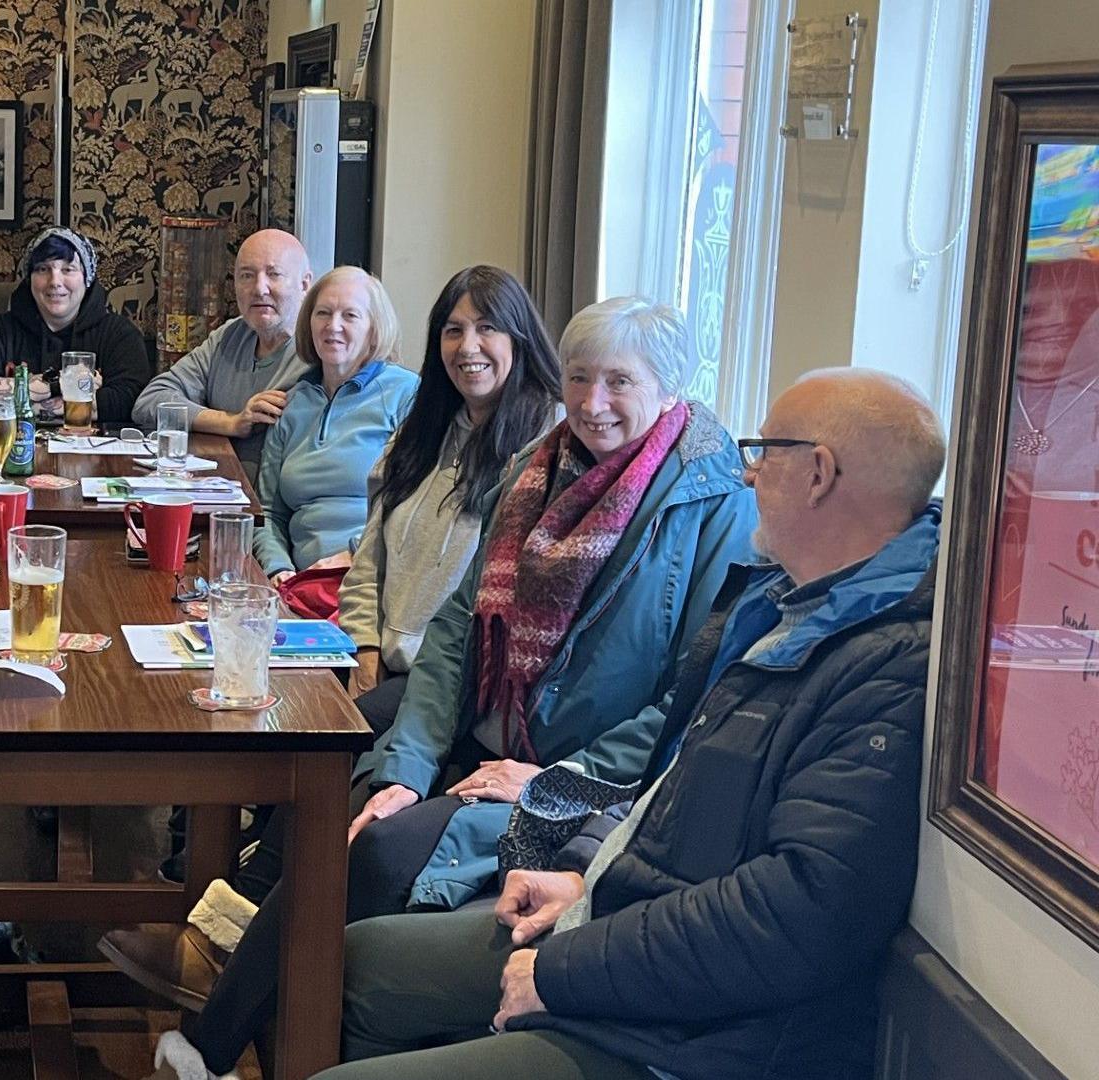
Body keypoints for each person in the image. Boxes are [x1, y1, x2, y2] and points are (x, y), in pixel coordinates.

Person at [114, 296, 757, 1080]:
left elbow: (692, 695)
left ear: (671, 389)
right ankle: (237, 1003)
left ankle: (218, 1038)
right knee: (350, 791)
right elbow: (458, 626)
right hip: (487, 732)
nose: (592, 403)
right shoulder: (539, 467)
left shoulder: (714, 503)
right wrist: (407, 769)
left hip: (581, 779)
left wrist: (556, 778)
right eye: (582, 377)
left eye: (620, 382)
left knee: (374, 847)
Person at [322, 368, 948, 1080]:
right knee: (355, 961)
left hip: (701, 1037)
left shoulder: (887, 661)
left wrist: (566, 969)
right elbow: (676, 804)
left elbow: (789, 918)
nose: (747, 476)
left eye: (764, 451)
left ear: (818, 474)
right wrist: (587, 880)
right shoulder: (782, 609)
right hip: (631, 936)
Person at [340, 265, 562, 711]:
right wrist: (364, 653)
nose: (468, 347)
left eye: (488, 329)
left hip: (461, 684)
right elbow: (367, 561)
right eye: (453, 330)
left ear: (519, 339)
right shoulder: (420, 430)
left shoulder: (548, 443)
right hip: (383, 663)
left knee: (322, 759)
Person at [251, 265, 419, 617]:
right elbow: (266, 512)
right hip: (298, 588)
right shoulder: (292, 402)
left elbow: (415, 511)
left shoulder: (406, 394)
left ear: (375, 329)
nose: (333, 326)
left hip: (371, 584)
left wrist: (356, 554)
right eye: (323, 313)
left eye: (350, 315)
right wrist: (278, 569)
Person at [131, 228, 314, 472]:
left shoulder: (320, 351)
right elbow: (151, 401)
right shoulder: (230, 336)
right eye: (247, 276)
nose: (260, 288)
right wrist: (232, 422)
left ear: (304, 285)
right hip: (214, 491)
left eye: (274, 274)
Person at [0, 226, 151, 428]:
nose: (55, 281)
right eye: (43, 269)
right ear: (29, 279)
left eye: (68, 269)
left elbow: (129, 401)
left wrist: (22, 396)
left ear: (87, 279)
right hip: (9, 453)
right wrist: (58, 387)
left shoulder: (119, 334)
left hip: (93, 460)